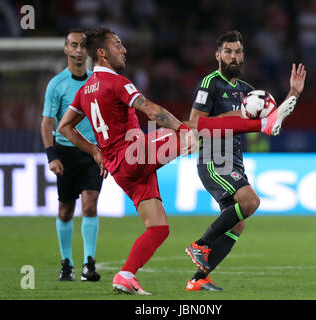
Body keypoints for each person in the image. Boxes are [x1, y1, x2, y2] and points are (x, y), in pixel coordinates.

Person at [57, 27, 299, 295]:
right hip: (135, 153)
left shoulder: (84, 90)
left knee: (158, 228)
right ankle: (265, 124)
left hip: (120, 168)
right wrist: (182, 132)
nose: (124, 49)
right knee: (190, 130)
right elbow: (150, 109)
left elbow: (65, 127)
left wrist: (95, 152)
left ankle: (125, 275)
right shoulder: (117, 82)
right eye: (117, 45)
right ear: (101, 53)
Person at [185, 30, 306, 291]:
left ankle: (198, 279)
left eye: (238, 52)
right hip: (214, 156)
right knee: (251, 201)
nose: (234, 56)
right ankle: (200, 245)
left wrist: (293, 94)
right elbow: (195, 123)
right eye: (228, 51)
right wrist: (237, 114)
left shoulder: (249, 92)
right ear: (218, 55)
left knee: (237, 223)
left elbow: (272, 122)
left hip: (235, 160)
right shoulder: (210, 83)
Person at [41, 29, 103, 282]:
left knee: (90, 205)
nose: (79, 50)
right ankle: (66, 263)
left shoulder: (97, 83)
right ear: (66, 50)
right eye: (74, 45)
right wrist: (52, 156)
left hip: (92, 153)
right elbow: (47, 123)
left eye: (83, 46)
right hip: (65, 152)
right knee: (66, 209)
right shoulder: (56, 84)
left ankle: (89, 264)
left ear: (87, 51)